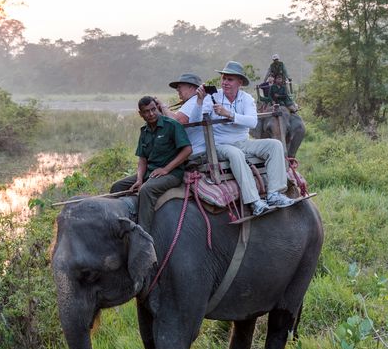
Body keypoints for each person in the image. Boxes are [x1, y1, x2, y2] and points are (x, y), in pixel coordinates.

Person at [205, 61, 295, 216]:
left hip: (243, 142)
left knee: (275, 145)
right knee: (235, 154)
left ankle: (274, 194)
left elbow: (252, 121)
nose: (225, 82)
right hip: (221, 145)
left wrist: (229, 114)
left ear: (240, 82)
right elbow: (202, 114)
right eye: (224, 78)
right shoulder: (212, 96)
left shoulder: (246, 98)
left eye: (230, 79)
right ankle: (254, 201)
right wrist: (201, 100)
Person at [111, 96, 192, 231]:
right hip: (150, 172)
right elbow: (142, 159)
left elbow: (187, 150)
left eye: (153, 109)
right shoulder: (144, 131)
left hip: (172, 174)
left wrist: (166, 169)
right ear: (141, 114)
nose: (151, 114)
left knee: (146, 190)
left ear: (157, 108)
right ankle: (117, 227)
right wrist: (138, 179)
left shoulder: (171, 125)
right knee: (117, 187)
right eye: (147, 111)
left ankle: (143, 232)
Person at [161, 73, 208, 155]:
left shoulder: (194, 101)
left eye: (180, 87)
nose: (177, 90)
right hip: (195, 147)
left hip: (193, 149)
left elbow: (176, 121)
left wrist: (163, 107)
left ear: (191, 87)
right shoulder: (195, 101)